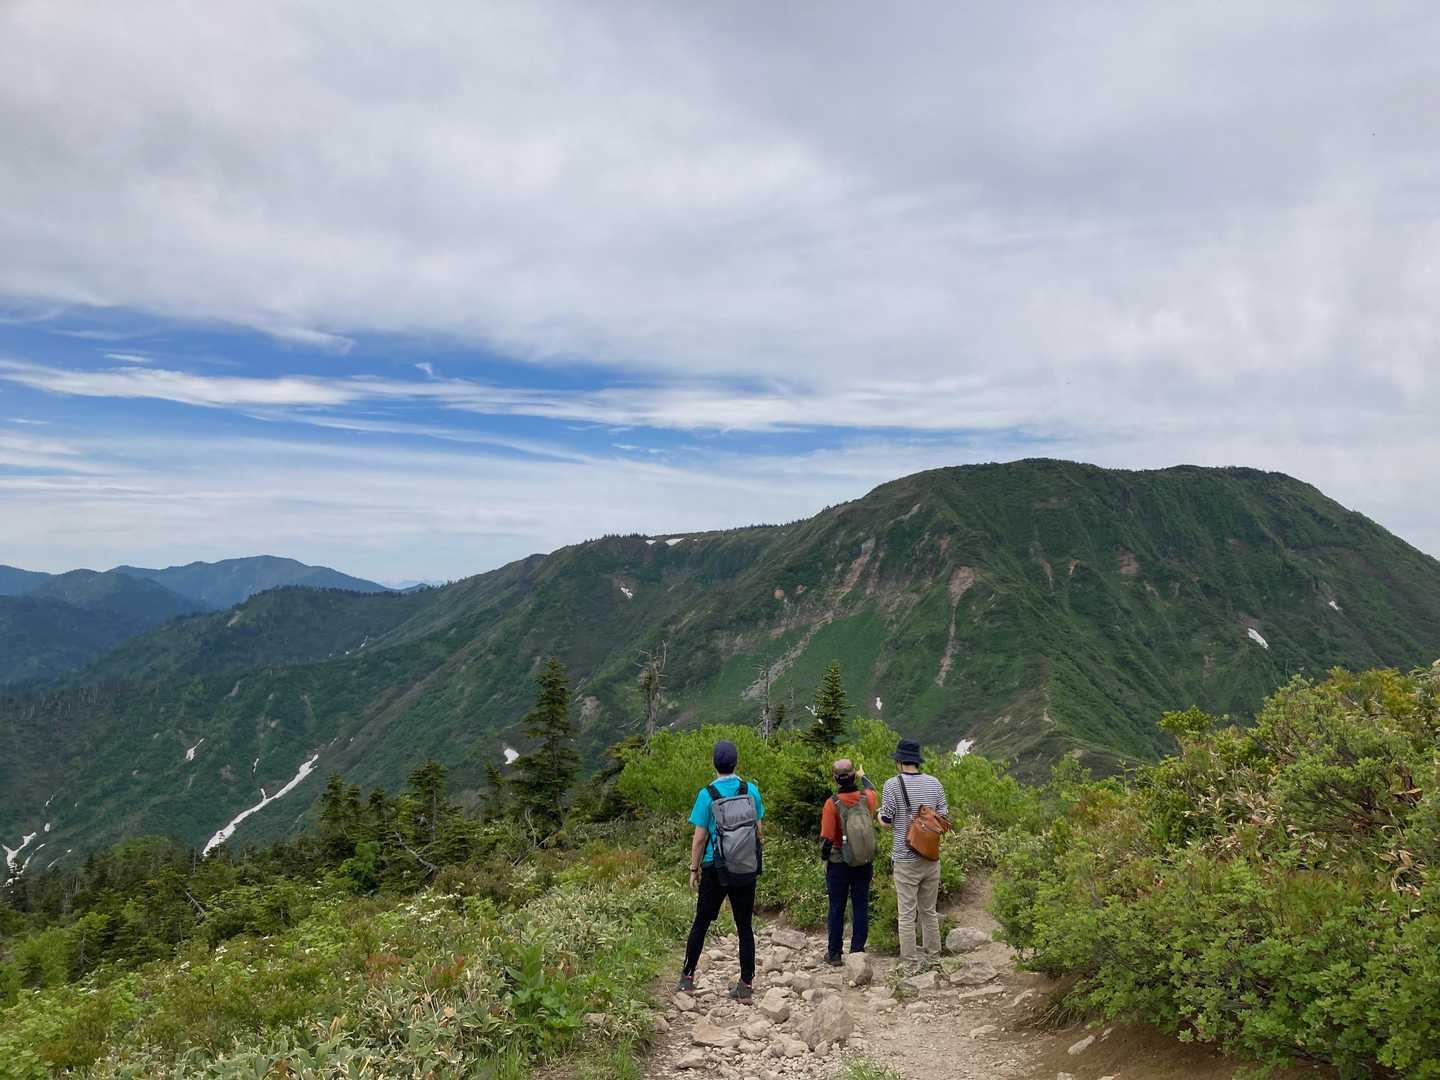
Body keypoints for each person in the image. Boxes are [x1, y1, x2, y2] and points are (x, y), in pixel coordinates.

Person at [678, 738, 765, 1002]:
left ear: (714, 764)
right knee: (744, 926)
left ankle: (687, 979)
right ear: (736, 763)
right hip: (744, 867)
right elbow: (759, 831)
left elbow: (699, 839)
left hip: (714, 867)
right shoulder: (750, 790)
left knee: (701, 922)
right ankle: (745, 985)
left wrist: (693, 869)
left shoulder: (707, 794)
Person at [878, 738, 949, 972]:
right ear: (917, 761)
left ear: (899, 761)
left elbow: (886, 821)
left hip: (905, 858)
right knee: (929, 911)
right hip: (931, 857)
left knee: (907, 914)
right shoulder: (935, 783)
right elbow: (943, 818)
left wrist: (878, 815)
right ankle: (934, 959)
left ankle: (909, 964)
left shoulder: (892, 785)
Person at [819, 757, 878, 965]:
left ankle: (834, 953)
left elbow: (827, 838)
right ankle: (857, 950)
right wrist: (864, 776)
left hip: (839, 863)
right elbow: (872, 789)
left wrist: (824, 858)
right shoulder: (867, 798)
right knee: (861, 905)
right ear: (854, 776)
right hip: (863, 861)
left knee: (837, 907)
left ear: (835, 779)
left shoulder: (832, 803)